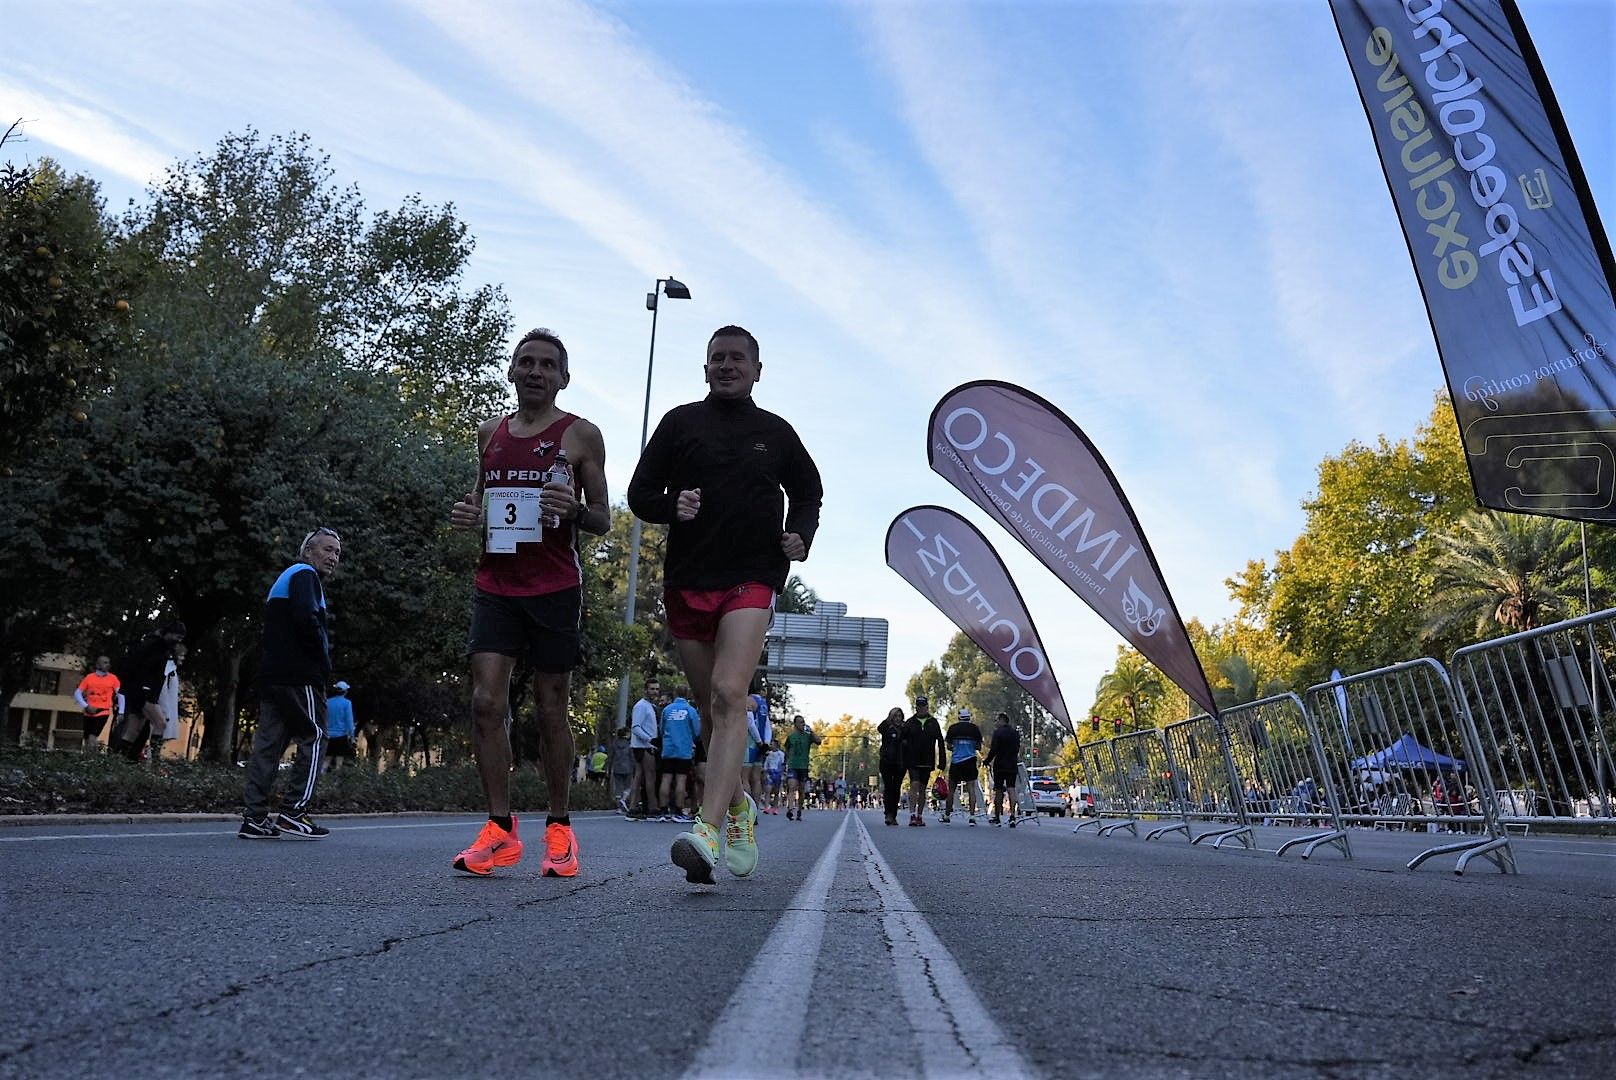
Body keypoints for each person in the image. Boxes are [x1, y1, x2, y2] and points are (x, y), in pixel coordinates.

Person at [628, 323, 823, 885]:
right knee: (713, 710)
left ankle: (707, 829)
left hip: (752, 576)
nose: (727, 365)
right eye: (717, 358)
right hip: (688, 578)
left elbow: (808, 489)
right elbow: (640, 494)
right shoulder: (679, 423)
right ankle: (739, 808)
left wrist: (799, 534)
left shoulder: (776, 432)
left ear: (757, 369)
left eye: (738, 358)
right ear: (705, 366)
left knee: (729, 693)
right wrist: (672, 505)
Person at [447, 328, 609, 878]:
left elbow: (603, 520)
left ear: (563, 378)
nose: (536, 372)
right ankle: (499, 829)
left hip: (555, 587)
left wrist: (574, 512)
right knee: (486, 705)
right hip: (496, 584)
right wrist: (470, 518)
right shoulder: (489, 432)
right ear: (512, 371)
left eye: (548, 365)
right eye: (527, 363)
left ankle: (560, 827)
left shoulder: (581, 436)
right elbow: (483, 503)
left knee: (549, 710)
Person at [239, 528, 341, 839]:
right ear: (308, 552)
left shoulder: (290, 577)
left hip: (273, 675)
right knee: (316, 735)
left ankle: (254, 818)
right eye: (327, 549)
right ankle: (293, 812)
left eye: (337, 552)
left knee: (268, 746)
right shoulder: (304, 574)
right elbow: (306, 619)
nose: (333, 557)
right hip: (299, 675)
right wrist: (322, 666)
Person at [111, 621, 186, 762]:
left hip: (138, 691)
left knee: (133, 729)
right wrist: (146, 689)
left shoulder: (153, 644)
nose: (178, 641)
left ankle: (118, 760)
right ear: (169, 633)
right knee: (160, 723)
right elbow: (146, 669)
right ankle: (154, 759)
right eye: (177, 637)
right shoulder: (156, 647)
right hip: (145, 693)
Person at [901, 694, 945, 826]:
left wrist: (942, 762)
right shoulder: (910, 722)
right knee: (914, 784)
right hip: (912, 760)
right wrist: (903, 759)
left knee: (923, 787)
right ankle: (912, 815)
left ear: (927, 707)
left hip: (927, 761)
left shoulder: (933, 722)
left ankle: (920, 815)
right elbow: (902, 741)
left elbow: (940, 741)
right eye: (918, 706)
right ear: (916, 707)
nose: (921, 709)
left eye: (923, 706)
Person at [659, 686, 701, 822]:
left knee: (666, 779)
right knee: (680, 780)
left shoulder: (667, 709)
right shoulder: (690, 710)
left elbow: (661, 729)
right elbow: (696, 731)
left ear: (675, 694)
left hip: (668, 749)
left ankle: (663, 811)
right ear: (688, 694)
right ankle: (678, 810)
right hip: (684, 750)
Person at [628, 676, 663, 820]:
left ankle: (634, 807)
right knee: (649, 777)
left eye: (657, 689)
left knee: (640, 776)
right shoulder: (641, 706)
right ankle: (652, 808)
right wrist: (650, 740)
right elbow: (635, 727)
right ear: (646, 690)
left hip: (644, 745)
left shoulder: (649, 706)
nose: (655, 692)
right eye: (652, 689)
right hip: (643, 747)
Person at [944, 706, 985, 825]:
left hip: (956, 762)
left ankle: (947, 815)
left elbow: (949, 746)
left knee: (951, 789)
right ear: (968, 718)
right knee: (971, 788)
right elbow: (978, 747)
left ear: (959, 717)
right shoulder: (975, 729)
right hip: (970, 761)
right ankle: (972, 817)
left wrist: (957, 747)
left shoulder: (953, 729)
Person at [74, 655, 122, 753]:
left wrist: (121, 711)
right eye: (105, 662)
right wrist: (86, 706)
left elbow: (121, 695)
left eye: (108, 662)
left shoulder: (113, 678)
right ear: (97, 664)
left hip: (103, 711)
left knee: (92, 735)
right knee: (87, 738)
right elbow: (77, 693)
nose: (108, 665)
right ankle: (88, 760)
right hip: (89, 711)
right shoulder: (89, 678)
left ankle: (92, 759)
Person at [983, 712, 1022, 826]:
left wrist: (987, 761)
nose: (995, 723)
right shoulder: (1015, 733)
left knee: (998, 790)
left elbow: (994, 750)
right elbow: (1017, 748)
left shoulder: (997, 733)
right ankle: (1013, 816)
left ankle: (997, 817)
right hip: (1012, 765)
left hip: (1000, 766)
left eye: (996, 720)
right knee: (1011, 789)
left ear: (1001, 720)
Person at [782, 715, 821, 821]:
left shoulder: (808, 736)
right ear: (795, 724)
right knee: (792, 787)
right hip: (793, 766)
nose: (802, 724)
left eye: (803, 722)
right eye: (800, 722)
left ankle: (799, 809)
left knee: (802, 790)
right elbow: (787, 750)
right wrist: (785, 763)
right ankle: (790, 809)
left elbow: (819, 741)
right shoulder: (791, 737)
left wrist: (811, 731)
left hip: (803, 766)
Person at [153, 642, 186, 761]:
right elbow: (162, 691)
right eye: (181, 655)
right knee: (157, 735)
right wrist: (165, 711)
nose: (183, 658)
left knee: (159, 737)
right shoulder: (168, 670)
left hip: (167, 709)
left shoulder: (172, 670)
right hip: (163, 710)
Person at [744, 677, 772, 813]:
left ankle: (747, 810)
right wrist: (766, 742)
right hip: (761, 746)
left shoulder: (748, 701)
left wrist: (758, 741)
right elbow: (767, 725)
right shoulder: (763, 704)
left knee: (744, 778)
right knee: (756, 778)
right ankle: (754, 811)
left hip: (750, 743)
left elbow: (750, 723)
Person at [877, 707, 906, 826]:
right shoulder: (886, 727)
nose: (898, 718)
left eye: (899, 716)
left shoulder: (905, 728)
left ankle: (893, 815)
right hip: (886, 761)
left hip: (901, 762)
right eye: (895, 716)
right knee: (888, 787)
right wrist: (889, 721)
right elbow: (880, 728)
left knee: (896, 788)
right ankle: (888, 814)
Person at [323, 681, 356, 773]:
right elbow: (349, 720)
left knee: (326, 759)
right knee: (339, 762)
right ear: (345, 691)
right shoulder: (347, 703)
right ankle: (336, 782)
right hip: (341, 736)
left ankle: (321, 779)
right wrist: (352, 736)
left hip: (328, 735)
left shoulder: (328, 702)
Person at [609, 727, 635, 812]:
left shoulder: (614, 744)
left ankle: (618, 807)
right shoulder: (629, 744)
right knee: (628, 786)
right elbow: (632, 757)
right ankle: (623, 799)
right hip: (628, 767)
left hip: (617, 767)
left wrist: (609, 768)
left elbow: (611, 757)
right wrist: (634, 767)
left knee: (618, 787)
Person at [763, 741, 785, 815]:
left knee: (776, 792)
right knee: (767, 790)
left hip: (778, 774)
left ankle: (775, 808)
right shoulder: (768, 754)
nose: (770, 746)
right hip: (770, 773)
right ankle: (766, 807)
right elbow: (766, 764)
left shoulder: (781, 754)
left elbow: (783, 765)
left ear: (776, 745)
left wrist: (782, 775)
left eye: (772, 744)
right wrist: (765, 774)